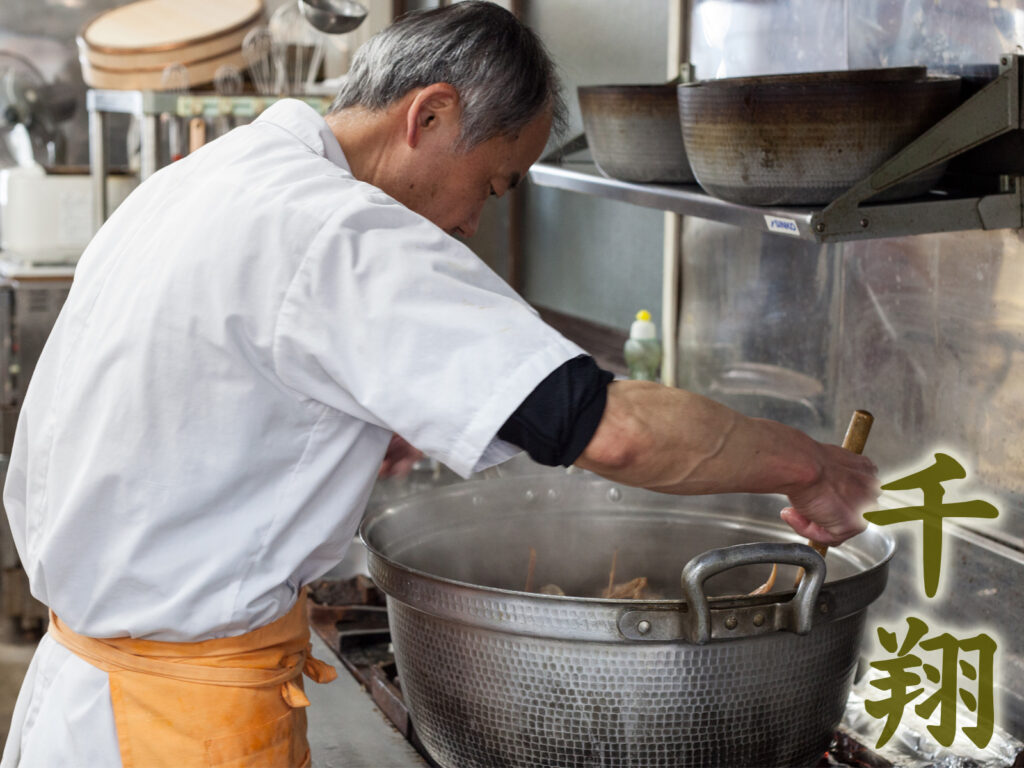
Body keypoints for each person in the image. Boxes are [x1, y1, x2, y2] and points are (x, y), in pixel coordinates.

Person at [0, 3, 879, 766]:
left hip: (87, 689)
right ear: (429, 114)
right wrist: (812, 469)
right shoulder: (344, 229)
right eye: (493, 181)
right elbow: (617, 432)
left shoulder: (211, 179)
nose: (472, 219)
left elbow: (203, 389)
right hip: (175, 729)